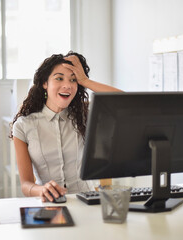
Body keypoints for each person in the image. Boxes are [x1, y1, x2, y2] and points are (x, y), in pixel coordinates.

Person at [11, 51, 121, 202]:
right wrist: (42, 190)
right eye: (59, 78)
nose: (67, 85)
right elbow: (26, 185)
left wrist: (85, 80)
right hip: (49, 203)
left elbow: (125, 103)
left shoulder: (86, 116)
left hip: (86, 200)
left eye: (73, 80)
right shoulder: (23, 126)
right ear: (45, 83)